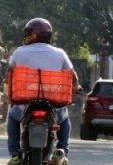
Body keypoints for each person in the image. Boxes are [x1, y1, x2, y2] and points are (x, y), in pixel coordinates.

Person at [4, 18, 80, 165]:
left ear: (32, 35)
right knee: (64, 120)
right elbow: (73, 76)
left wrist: (8, 95)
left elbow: (9, 75)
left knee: (12, 119)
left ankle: (15, 155)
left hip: (24, 104)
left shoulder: (19, 52)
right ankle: (62, 152)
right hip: (54, 105)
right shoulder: (60, 53)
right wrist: (77, 89)